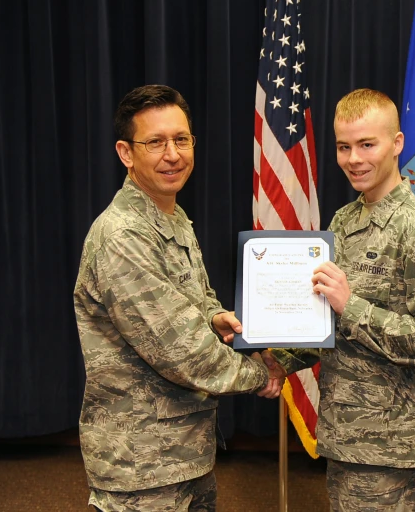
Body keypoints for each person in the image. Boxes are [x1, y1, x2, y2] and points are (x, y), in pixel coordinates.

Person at [73, 84, 283, 512]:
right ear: (126, 153)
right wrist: (263, 374)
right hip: (141, 467)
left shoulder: (171, 215)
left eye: (181, 139)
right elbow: (183, 352)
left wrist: (214, 317)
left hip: (185, 451)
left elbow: (191, 299)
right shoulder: (122, 236)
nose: (173, 154)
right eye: (155, 142)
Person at [261, 88, 415, 511]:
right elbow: (328, 324)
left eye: (367, 144)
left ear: (396, 144)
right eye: (344, 147)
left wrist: (352, 305)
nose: (354, 159)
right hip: (343, 431)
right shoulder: (345, 219)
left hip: (386, 443)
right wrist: (277, 360)